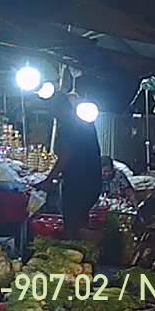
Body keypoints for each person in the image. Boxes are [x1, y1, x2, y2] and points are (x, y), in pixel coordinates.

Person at [47, 93, 102, 239]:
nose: (51, 113)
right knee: (80, 223)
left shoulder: (69, 127)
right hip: (92, 182)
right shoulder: (83, 123)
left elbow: (66, 156)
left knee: (72, 226)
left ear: (58, 108)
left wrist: (49, 179)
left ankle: (76, 248)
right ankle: (83, 249)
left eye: (51, 108)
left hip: (79, 184)